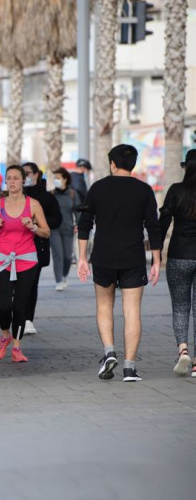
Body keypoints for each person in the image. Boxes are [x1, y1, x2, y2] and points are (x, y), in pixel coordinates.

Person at [77, 144, 162, 382]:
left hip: (103, 256)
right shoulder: (144, 190)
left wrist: (82, 258)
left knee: (104, 306)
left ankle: (109, 352)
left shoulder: (98, 188)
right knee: (132, 311)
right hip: (133, 257)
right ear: (132, 164)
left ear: (112, 164)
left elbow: (84, 224)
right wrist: (156, 260)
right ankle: (129, 368)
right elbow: (153, 227)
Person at [0, 165, 51, 363]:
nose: (12, 181)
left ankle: (17, 347)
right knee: (5, 306)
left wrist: (33, 227)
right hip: (3, 260)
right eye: (9, 178)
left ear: (24, 181)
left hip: (27, 260)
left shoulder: (33, 205)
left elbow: (46, 232)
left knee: (20, 306)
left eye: (16, 178)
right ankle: (5, 335)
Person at [158, 149, 196, 377]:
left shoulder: (176, 190)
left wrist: (156, 250)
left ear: (186, 168)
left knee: (180, 306)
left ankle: (183, 351)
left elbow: (163, 221)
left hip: (179, 255)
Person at [21, 162, 62, 335]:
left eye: (28, 173)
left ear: (37, 175)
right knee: (16, 284)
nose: (25, 177)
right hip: (15, 246)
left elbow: (57, 220)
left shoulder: (46, 198)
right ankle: (17, 316)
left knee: (31, 283)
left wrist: (38, 223)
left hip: (37, 244)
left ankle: (28, 318)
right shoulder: (15, 195)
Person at [51, 168, 81, 291]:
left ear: (65, 179)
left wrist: (79, 224)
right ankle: (58, 280)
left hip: (68, 228)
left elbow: (78, 211)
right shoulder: (51, 194)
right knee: (58, 254)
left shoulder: (72, 194)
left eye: (58, 178)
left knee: (68, 256)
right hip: (54, 229)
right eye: (55, 178)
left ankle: (64, 275)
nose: (56, 180)